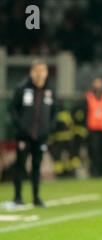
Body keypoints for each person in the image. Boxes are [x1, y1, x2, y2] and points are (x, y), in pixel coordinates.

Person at [8, 59, 57, 207]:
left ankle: (36, 197)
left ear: (47, 73)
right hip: (24, 135)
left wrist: (49, 127)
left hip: (41, 135)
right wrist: (20, 126)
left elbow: (55, 111)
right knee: (20, 165)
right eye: (37, 70)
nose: (40, 74)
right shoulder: (22, 88)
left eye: (43, 70)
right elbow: (12, 109)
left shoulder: (50, 90)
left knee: (37, 166)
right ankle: (17, 196)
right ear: (32, 72)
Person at [85, 77, 102, 177]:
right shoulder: (89, 97)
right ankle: (94, 171)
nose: (98, 85)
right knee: (94, 151)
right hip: (93, 128)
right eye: (96, 83)